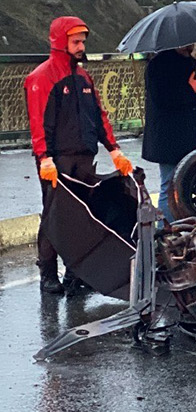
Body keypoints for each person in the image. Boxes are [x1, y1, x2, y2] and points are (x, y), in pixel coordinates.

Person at [25, 16, 133, 294]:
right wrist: (44, 157)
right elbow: (38, 122)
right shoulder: (41, 78)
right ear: (61, 42)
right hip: (56, 160)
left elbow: (99, 116)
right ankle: (48, 273)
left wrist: (114, 150)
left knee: (82, 217)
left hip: (84, 156)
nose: (81, 46)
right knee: (54, 216)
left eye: (83, 41)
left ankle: (75, 273)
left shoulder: (83, 76)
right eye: (76, 41)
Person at [143, 43, 196, 222]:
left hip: (190, 134)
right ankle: (167, 229)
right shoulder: (159, 65)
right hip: (169, 137)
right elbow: (162, 98)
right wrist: (191, 89)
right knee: (169, 186)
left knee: (187, 184)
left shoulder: (187, 62)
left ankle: (184, 227)